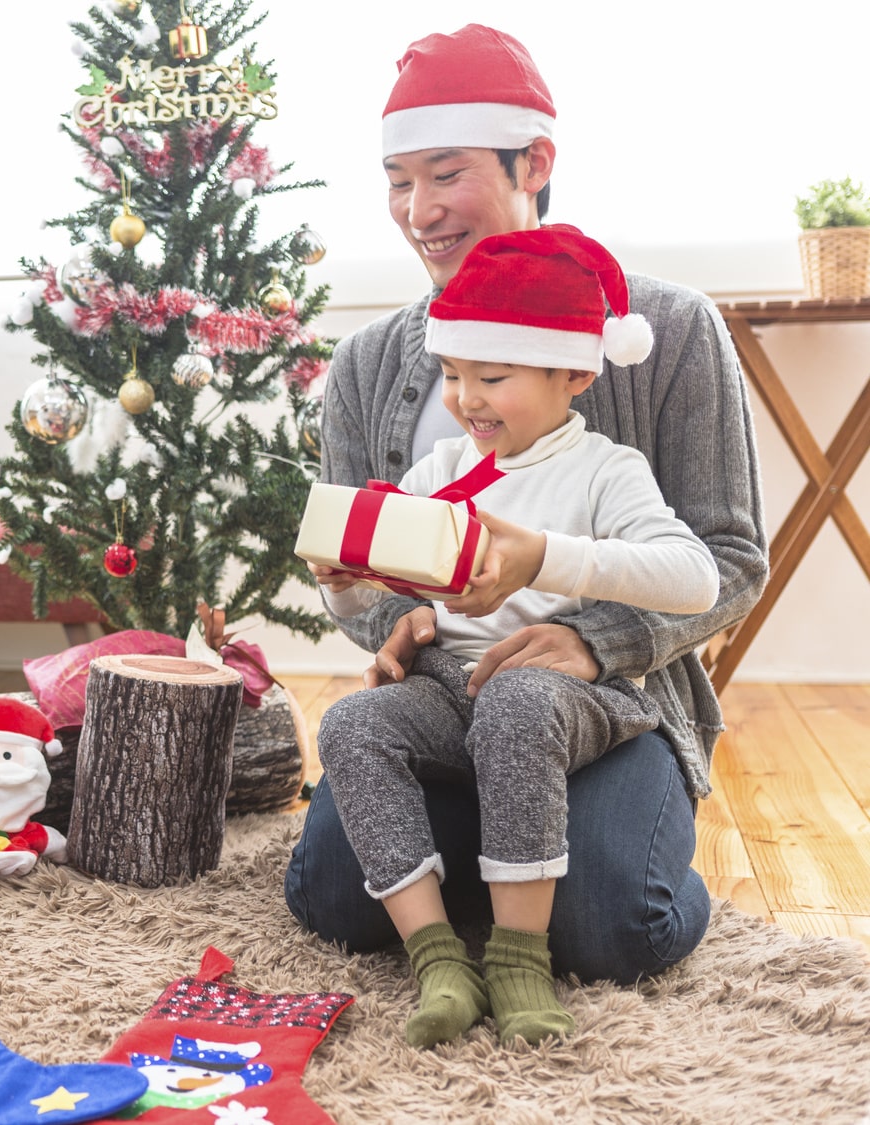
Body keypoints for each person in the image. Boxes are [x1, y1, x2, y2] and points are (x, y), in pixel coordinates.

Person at [286, 24, 768, 985]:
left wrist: (593, 641)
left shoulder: (665, 333)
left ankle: (584, 856)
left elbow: (729, 560)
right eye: (396, 180)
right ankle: (492, 865)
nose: (417, 210)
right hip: (440, 696)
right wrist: (382, 611)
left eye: (446, 173)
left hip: (601, 703)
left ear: (534, 161)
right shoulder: (366, 363)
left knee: (611, 930)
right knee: (330, 901)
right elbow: (370, 570)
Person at [312, 226, 719, 1046]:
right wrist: (365, 586)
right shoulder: (440, 472)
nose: (465, 398)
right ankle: (438, 957)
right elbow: (398, 575)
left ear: (573, 371)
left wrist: (547, 559)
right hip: (447, 688)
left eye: (492, 376)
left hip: (573, 695)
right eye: (453, 373)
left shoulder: (607, 470)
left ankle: (518, 959)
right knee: (350, 725)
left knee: (519, 702)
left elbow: (698, 576)